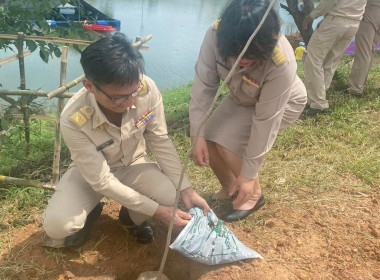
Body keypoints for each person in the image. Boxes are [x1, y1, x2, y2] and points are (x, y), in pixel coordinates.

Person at [42, 33, 210, 248]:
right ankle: (90, 211)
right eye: (118, 97)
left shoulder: (146, 90)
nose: (130, 101)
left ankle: (129, 220)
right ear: (89, 86)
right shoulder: (73, 119)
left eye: (134, 91)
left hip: (133, 164)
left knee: (172, 196)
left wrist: (187, 189)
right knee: (57, 227)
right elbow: (101, 180)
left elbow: (159, 140)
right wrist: (157, 212)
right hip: (91, 174)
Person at [189, 0, 307, 222]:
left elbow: (265, 122)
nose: (241, 60)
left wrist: (249, 174)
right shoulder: (216, 35)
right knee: (211, 136)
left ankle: (253, 195)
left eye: (250, 56)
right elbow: (204, 86)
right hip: (242, 96)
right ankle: (231, 187)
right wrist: (197, 132)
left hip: (282, 101)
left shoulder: (281, 61)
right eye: (235, 54)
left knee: (230, 143)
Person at [301, 0, 367, 117]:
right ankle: (319, 97)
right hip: (354, 23)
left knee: (314, 60)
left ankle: (317, 103)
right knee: (331, 60)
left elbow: (329, 1)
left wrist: (311, 16)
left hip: (335, 20)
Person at [347, 0, 380, 96]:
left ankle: (355, 88)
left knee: (363, 52)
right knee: (370, 50)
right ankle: (360, 83)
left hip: (371, 12)